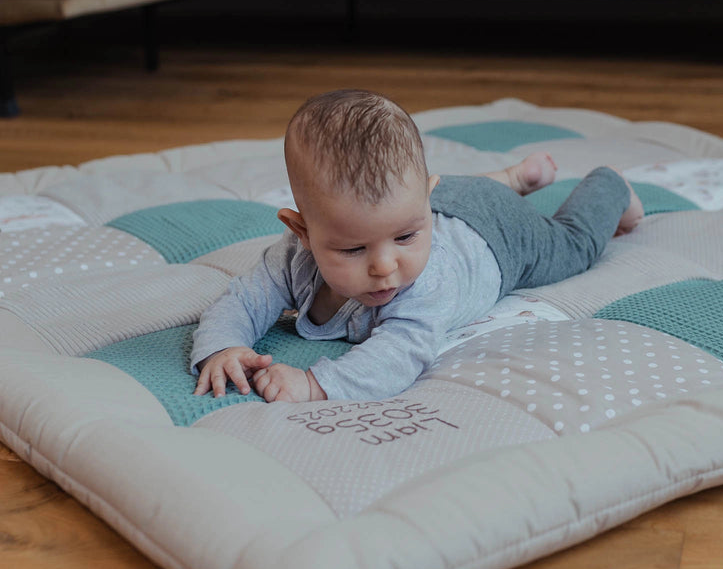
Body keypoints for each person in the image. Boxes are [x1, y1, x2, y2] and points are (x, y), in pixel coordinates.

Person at [192, 89, 643, 403]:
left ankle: (608, 185)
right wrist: (223, 346)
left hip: (500, 236)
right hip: (445, 200)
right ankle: (513, 178)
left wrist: (314, 384)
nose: (386, 267)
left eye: (405, 238)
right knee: (406, 209)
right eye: (352, 250)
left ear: (423, 204)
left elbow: (397, 357)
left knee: (574, 246)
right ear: (301, 232)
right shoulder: (295, 257)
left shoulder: (426, 286)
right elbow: (242, 300)